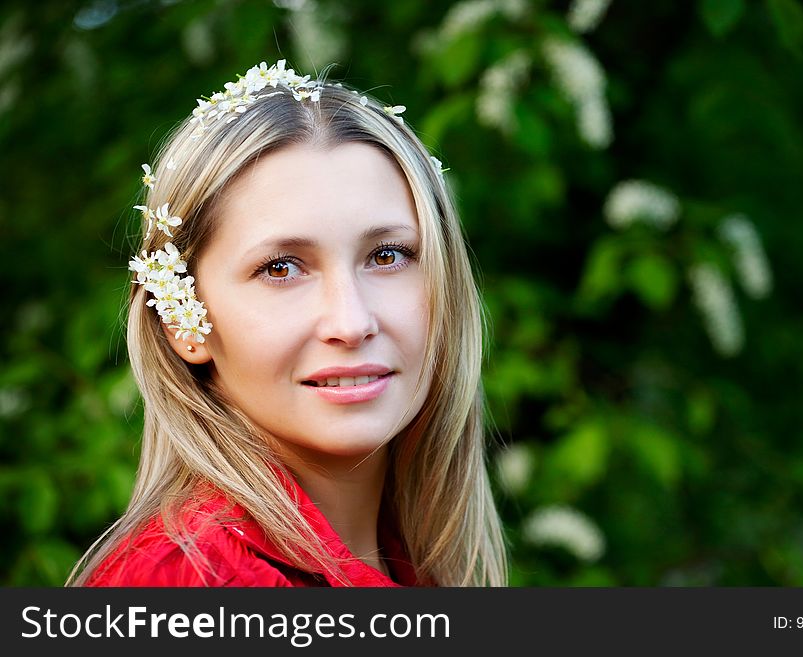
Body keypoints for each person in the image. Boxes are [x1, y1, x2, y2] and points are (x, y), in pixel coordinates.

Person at [66, 60, 508, 587]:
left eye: (387, 256)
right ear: (183, 319)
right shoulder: (191, 579)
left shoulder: (407, 562)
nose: (351, 321)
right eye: (281, 268)